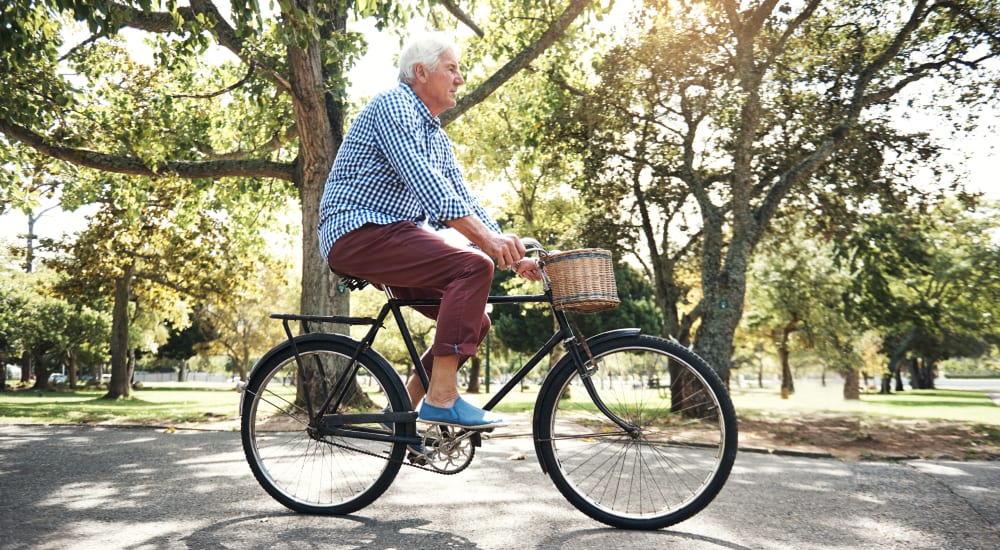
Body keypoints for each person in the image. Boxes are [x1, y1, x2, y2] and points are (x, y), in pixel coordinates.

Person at [318, 33, 541, 428]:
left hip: (392, 235)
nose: (460, 78)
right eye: (451, 69)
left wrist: (512, 253)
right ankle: (441, 398)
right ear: (421, 72)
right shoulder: (394, 106)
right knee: (472, 267)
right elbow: (430, 188)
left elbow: (462, 198)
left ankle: (399, 411)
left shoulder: (435, 134)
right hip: (358, 231)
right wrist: (486, 247)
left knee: (476, 319)